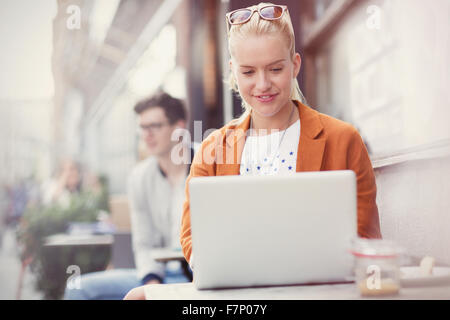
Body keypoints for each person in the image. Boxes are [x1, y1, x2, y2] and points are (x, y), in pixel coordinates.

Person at [124, 2, 381, 300]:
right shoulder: (212, 149)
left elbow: (366, 240)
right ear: (233, 72)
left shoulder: (343, 140)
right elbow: (192, 237)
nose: (262, 84)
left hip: (320, 294)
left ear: (295, 65)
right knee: (136, 297)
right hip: (237, 297)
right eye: (248, 72)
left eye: (275, 69)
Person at [65, 91, 194, 300]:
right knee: (78, 288)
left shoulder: (208, 164)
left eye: (155, 126)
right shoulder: (139, 177)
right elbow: (143, 243)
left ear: (179, 127)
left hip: (198, 277)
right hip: (159, 276)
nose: (147, 135)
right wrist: (152, 285)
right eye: (143, 127)